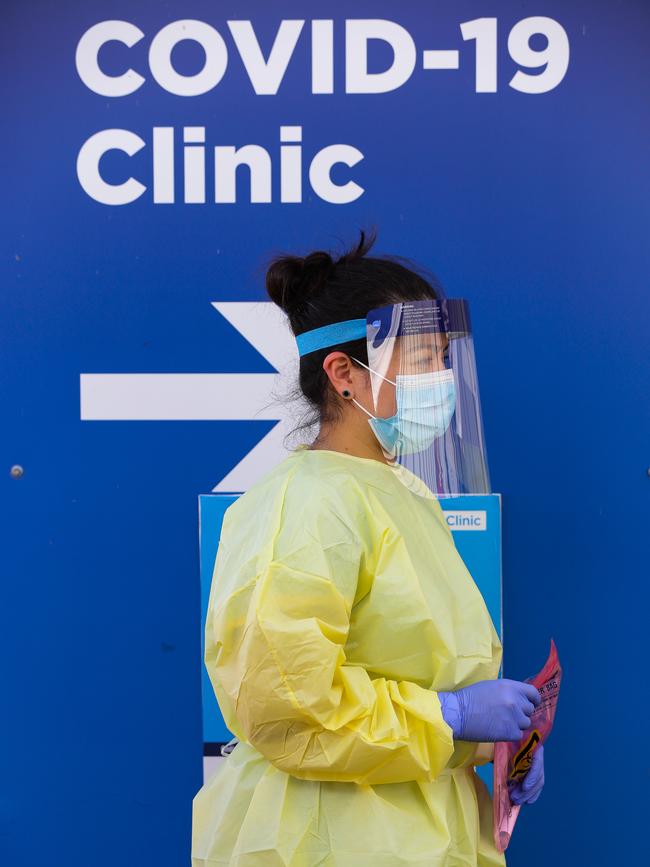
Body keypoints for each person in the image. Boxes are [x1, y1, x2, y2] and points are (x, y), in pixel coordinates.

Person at [191, 228, 545, 866]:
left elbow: (410, 673)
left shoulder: (401, 493)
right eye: (419, 360)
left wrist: (492, 741)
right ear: (342, 373)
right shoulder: (302, 505)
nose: (440, 379)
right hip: (327, 837)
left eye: (444, 358)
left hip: (421, 835)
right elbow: (287, 704)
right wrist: (451, 715)